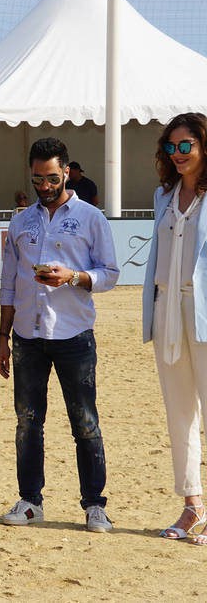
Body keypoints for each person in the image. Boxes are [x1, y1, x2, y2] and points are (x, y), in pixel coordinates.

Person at [0, 137, 119, 533]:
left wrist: (75, 277)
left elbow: (110, 274)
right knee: (27, 422)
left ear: (66, 172)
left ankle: (94, 505)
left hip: (73, 334)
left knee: (85, 422)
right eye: (37, 178)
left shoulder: (90, 218)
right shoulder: (20, 221)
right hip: (26, 336)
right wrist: (2, 336)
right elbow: (9, 283)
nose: (44, 185)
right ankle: (31, 501)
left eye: (51, 177)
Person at [141, 112, 207, 544]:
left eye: (186, 146)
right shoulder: (162, 195)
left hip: (203, 310)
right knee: (178, 412)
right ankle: (191, 506)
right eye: (171, 146)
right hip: (168, 308)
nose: (178, 154)